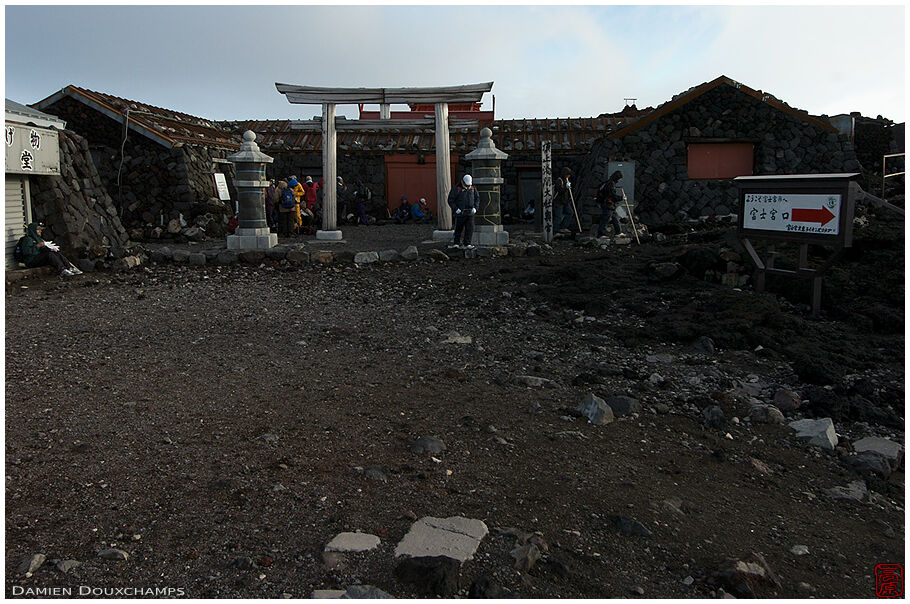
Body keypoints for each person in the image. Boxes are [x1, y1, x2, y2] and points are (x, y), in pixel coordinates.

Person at [17, 222, 82, 276]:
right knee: (49, 255)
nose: (40, 231)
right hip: (31, 260)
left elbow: (42, 249)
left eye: (40, 229)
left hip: (38, 258)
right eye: (38, 229)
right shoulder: (27, 240)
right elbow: (27, 252)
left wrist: (50, 248)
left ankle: (69, 267)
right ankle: (62, 269)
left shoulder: (38, 238)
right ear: (33, 230)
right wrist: (38, 245)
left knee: (55, 253)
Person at [447, 174, 479, 249]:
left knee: (469, 228)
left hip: (470, 212)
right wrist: (455, 209)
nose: (468, 187)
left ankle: (467, 243)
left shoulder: (473, 189)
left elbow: (477, 199)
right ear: (462, 182)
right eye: (466, 185)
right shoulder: (456, 189)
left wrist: (475, 208)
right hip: (460, 212)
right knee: (458, 228)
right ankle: (456, 243)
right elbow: (450, 200)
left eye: (469, 185)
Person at [596, 170, 624, 237]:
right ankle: (601, 233)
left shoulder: (607, 182)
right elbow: (612, 196)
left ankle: (618, 232)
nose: (620, 180)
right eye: (620, 178)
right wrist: (621, 198)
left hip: (607, 203)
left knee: (615, 217)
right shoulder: (611, 184)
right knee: (605, 219)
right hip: (608, 204)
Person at [554, 167, 577, 233]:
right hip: (559, 201)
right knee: (558, 216)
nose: (569, 176)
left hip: (565, 201)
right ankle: (556, 230)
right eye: (568, 174)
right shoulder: (559, 180)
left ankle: (563, 227)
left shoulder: (567, 181)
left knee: (570, 213)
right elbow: (560, 190)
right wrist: (566, 188)